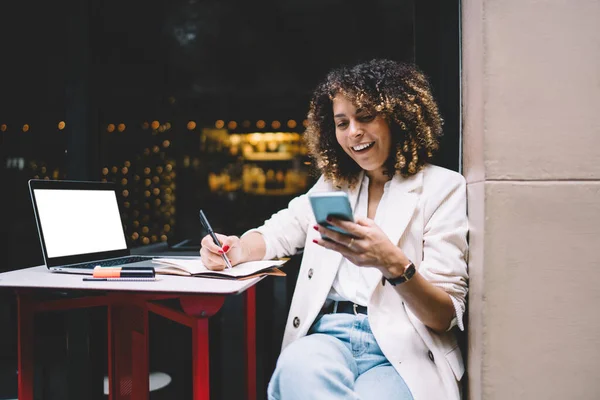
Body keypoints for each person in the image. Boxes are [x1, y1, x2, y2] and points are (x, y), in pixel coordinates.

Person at [200, 59, 468, 400]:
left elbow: (444, 315)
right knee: (297, 368)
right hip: (329, 338)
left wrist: (393, 265)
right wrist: (234, 250)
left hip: (403, 349)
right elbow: (278, 232)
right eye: (343, 123)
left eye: (366, 116)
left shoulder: (443, 188)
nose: (353, 131)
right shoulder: (332, 186)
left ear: (398, 118)